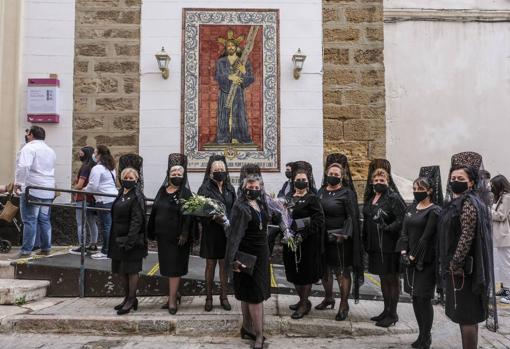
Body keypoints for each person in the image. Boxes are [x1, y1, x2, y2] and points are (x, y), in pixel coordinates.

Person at [438, 152, 494, 349]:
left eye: (460, 179)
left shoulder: (469, 202)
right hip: (460, 267)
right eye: (453, 178)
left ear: (471, 183)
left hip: (464, 270)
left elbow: (467, 236)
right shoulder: (458, 200)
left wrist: (455, 263)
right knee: (466, 317)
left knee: (467, 317)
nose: (455, 181)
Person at [397, 172, 442, 349]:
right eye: (414, 189)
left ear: (429, 191)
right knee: (414, 298)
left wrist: (413, 256)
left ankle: (426, 335)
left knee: (424, 298)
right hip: (408, 258)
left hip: (425, 261)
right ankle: (421, 334)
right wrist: (403, 252)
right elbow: (404, 232)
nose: (416, 192)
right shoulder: (411, 209)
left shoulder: (434, 211)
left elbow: (426, 237)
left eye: (420, 189)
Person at [316, 153, 363, 321]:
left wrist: (344, 234)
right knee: (325, 270)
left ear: (342, 177)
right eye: (331, 173)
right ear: (327, 174)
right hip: (323, 238)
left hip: (340, 240)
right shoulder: (321, 191)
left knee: (341, 272)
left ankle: (344, 304)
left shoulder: (347, 193)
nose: (333, 176)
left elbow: (352, 217)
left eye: (337, 174)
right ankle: (328, 298)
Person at [227, 173, 270, 349]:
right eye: (250, 187)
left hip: (262, 253)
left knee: (249, 293)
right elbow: (233, 235)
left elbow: (266, 221)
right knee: (253, 295)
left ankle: (247, 328)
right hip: (246, 254)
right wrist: (234, 259)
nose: (253, 190)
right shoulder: (240, 206)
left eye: (256, 187)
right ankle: (258, 336)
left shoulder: (261, 203)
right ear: (244, 188)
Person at [148, 154, 195, 314]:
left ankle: (173, 300)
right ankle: (174, 295)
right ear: (169, 175)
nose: (176, 176)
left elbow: (189, 216)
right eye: (173, 174)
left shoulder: (186, 193)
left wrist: (185, 234)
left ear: (183, 176)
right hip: (163, 237)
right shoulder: (162, 191)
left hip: (178, 238)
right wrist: (152, 230)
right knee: (166, 268)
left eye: (179, 175)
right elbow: (155, 211)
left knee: (175, 269)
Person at [362, 159, 406, 327]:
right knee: (383, 278)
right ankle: (385, 310)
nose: (379, 182)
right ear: (372, 182)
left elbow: (402, 219)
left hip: (389, 246)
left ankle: (393, 313)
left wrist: (388, 227)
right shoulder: (372, 197)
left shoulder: (393, 197)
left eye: (382, 180)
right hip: (375, 245)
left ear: (388, 182)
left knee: (391, 279)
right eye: (377, 180)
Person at [283, 161, 325, 319]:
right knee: (294, 271)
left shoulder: (312, 198)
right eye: (298, 179)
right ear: (294, 180)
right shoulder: (287, 198)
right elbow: (282, 217)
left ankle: (304, 303)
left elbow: (319, 220)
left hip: (307, 243)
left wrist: (304, 234)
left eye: (304, 179)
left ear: (308, 181)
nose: (301, 181)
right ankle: (303, 300)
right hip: (291, 241)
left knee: (306, 273)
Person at [198, 155, 237, 311]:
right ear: (210, 172)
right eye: (216, 170)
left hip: (226, 233)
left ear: (226, 171)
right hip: (211, 232)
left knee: (224, 266)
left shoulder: (230, 189)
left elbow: (235, 209)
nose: (219, 172)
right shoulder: (204, 189)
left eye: (222, 169)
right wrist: (213, 217)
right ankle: (208, 298)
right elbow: (199, 211)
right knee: (210, 266)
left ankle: (224, 296)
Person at [108, 167, 147, 315]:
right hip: (117, 238)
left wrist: (130, 240)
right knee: (120, 270)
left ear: (136, 180)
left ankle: (132, 299)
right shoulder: (121, 194)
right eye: (126, 178)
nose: (128, 180)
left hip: (132, 240)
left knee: (131, 270)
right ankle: (127, 298)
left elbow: (137, 221)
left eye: (131, 178)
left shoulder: (137, 196)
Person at [14, 126, 56, 258]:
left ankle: (26, 250)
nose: (26, 135)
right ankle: (46, 248)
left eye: (27, 133)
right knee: (44, 219)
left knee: (30, 220)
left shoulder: (29, 148)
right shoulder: (50, 150)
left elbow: (24, 166)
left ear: (31, 135)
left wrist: (18, 183)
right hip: (48, 189)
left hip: (33, 189)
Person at [215, 29, 254, 144]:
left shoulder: (243, 61)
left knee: (239, 113)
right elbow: (218, 76)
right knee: (224, 114)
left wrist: (244, 72)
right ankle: (224, 137)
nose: (230, 47)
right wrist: (230, 77)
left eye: (233, 45)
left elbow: (251, 78)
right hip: (225, 92)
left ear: (237, 47)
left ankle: (239, 136)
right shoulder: (221, 62)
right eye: (228, 46)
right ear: (226, 48)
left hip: (237, 92)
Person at [84, 145, 117, 260]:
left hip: (103, 200)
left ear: (99, 155)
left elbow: (93, 186)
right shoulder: (110, 167)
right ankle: (110, 250)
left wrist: (84, 190)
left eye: (95, 152)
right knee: (110, 226)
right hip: (113, 198)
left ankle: (106, 251)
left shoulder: (97, 168)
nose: (94, 154)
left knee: (106, 226)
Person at [69, 146, 99, 255]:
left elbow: (80, 185)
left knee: (80, 223)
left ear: (86, 154)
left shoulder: (85, 167)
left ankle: (82, 246)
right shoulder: (94, 166)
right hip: (92, 198)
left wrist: (73, 190)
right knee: (91, 222)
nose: (79, 155)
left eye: (81, 153)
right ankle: (93, 244)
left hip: (82, 198)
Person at [489, 174, 510, 303]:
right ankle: (505, 288)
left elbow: (501, 216)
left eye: (492, 185)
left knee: (506, 265)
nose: (491, 187)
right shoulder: (501, 197)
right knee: (500, 265)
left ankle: (509, 291)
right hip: (499, 236)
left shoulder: (507, 197)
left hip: (504, 236)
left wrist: (487, 210)